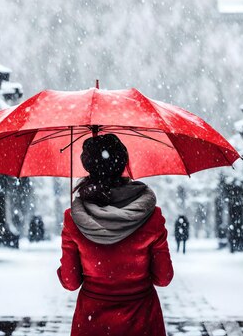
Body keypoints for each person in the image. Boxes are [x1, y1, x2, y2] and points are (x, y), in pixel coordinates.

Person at [57, 134, 174, 336]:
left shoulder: (73, 218)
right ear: (123, 164)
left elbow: (70, 282)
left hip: (92, 323)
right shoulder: (152, 217)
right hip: (142, 321)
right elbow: (163, 278)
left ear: (88, 166)